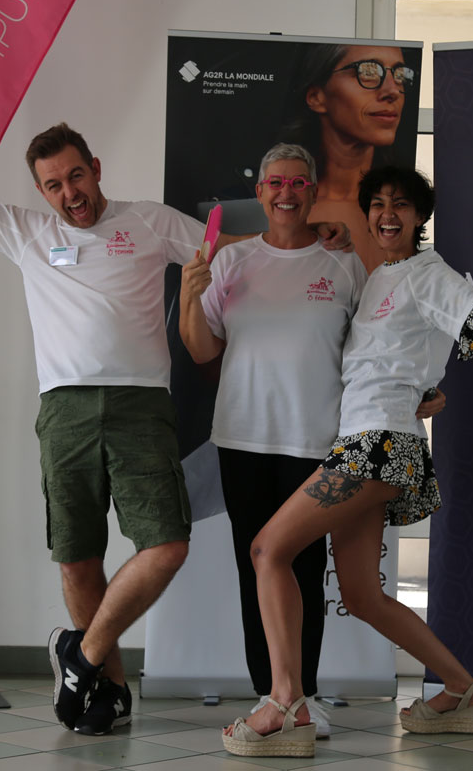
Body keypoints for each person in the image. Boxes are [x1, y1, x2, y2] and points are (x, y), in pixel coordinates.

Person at [0, 81, 350, 737]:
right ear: (42, 192)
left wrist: (312, 232)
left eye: (76, 176)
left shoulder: (148, 221)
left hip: (142, 406)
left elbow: (238, 249)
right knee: (77, 557)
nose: (70, 193)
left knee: (166, 546)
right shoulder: (27, 232)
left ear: (95, 168)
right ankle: (109, 688)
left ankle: (80, 653)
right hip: (64, 409)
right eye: (53, 185)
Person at [220, 166, 473, 758]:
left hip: (379, 445)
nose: (387, 214)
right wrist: (424, 389)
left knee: (268, 550)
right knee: (361, 595)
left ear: (420, 216)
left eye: (400, 204)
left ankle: (285, 703)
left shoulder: (428, 274)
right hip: (364, 441)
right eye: (377, 204)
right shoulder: (378, 276)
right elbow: (401, 357)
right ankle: (463, 689)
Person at [178, 144, 443, 739]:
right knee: (256, 568)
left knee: (304, 568)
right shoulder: (231, 260)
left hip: (319, 441)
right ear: (261, 190)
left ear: (314, 191)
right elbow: (201, 349)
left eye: (298, 183)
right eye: (276, 182)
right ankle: (271, 693)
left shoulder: (343, 263)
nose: (286, 193)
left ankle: (307, 695)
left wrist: (418, 390)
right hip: (242, 438)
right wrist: (190, 295)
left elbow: (382, 342)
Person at [281, 44, 418, 272]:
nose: (392, 91)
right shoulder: (286, 204)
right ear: (316, 96)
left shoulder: (404, 210)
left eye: (400, 75)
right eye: (368, 72)